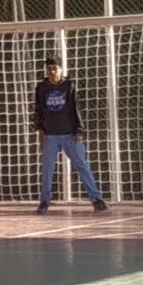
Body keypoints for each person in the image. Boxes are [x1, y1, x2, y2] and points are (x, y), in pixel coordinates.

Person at [33, 56, 108, 214]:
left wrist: (79, 130)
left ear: (61, 69)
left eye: (55, 68)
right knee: (48, 169)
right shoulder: (41, 87)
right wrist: (40, 131)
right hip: (50, 135)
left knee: (82, 165)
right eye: (49, 69)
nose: (52, 72)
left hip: (70, 134)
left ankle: (96, 199)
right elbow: (38, 110)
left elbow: (75, 107)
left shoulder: (69, 85)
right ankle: (44, 201)